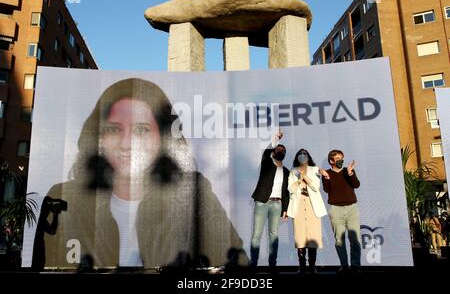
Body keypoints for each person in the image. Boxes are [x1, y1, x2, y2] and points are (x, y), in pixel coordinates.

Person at [33, 78, 247, 269]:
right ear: (100, 137)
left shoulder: (193, 193)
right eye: (114, 129)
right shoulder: (63, 197)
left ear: (162, 138)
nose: (127, 144)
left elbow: (236, 267)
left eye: (141, 130)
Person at [250, 132, 290, 270]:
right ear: (273, 152)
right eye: (279, 149)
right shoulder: (267, 162)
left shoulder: (286, 171)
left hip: (277, 204)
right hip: (262, 202)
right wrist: (276, 139)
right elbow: (266, 151)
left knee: (274, 235)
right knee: (257, 234)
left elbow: (286, 191)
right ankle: (253, 265)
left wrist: (285, 209)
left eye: (283, 151)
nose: (281, 151)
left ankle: (273, 265)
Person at [286, 149, 328, 274]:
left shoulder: (315, 170)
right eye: (300, 154)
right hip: (298, 206)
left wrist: (304, 176)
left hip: (312, 206)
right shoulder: (293, 171)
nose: (302, 156)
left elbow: (315, 187)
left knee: (312, 237)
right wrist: (299, 180)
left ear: (308, 157)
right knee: (300, 237)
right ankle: (302, 266)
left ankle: (312, 266)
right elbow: (291, 189)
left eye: (305, 154)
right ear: (297, 157)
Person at [322, 149, 361, 273]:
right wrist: (327, 178)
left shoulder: (347, 171)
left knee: (354, 239)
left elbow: (356, 184)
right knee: (339, 240)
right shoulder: (327, 173)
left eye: (341, 158)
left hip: (351, 208)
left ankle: (355, 267)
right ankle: (344, 266)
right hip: (335, 209)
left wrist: (350, 173)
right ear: (331, 161)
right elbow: (327, 190)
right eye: (337, 158)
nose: (340, 160)